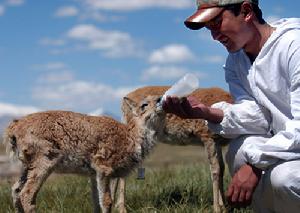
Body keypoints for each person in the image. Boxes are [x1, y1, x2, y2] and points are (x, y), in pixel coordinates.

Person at [162, 0, 300, 212]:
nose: (214, 36)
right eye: (209, 28)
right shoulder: (236, 61)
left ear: (246, 11)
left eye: (217, 23)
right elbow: (259, 117)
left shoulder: (294, 47)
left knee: (285, 178)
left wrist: (255, 165)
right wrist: (206, 112)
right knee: (240, 151)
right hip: (290, 146)